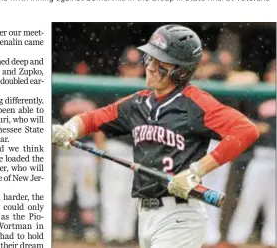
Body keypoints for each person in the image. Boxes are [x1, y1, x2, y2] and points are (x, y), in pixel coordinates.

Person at [52, 24, 259, 248]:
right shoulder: (138, 102)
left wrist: (196, 171)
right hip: (146, 215)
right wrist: (71, 128)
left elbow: (246, 130)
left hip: (180, 216)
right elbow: (91, 119)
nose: (150, 67)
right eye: (149, 59)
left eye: (160, 64)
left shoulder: (196, 102)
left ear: (181, 70)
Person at [218, 59, 276, 248]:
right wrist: (255, 126)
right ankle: (237, 239)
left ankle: (271, 240)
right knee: (249, 199)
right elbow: (242, 118)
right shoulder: (258, 94)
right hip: (261, 155)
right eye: (275, 71)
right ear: (268, 74)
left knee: (275, 205)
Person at [100, 51, 144, 244]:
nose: (132, 70)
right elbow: (98, 119)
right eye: (129, 65)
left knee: (133, 195)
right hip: (116, 145)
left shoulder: (148, 91)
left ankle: (125, 236)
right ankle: (111, 234)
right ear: (122, 67)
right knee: (113, 192)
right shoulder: (112, 88)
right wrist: (101, 148)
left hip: (139, 150)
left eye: (136, 66)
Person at [53, 94, 101, 243]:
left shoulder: (95, 94)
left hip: (87, 147)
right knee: (63, 189)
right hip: (65, 146)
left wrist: (100, 148)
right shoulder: (62, 96)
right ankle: (59, 227)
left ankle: (89, 229)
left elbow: (99, 124)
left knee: (87, 189)